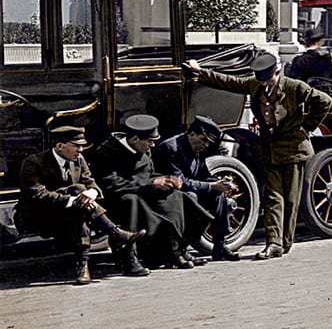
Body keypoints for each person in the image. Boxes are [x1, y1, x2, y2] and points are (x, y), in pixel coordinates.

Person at [185, 50, 332, 258]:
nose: (264, 84)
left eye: (268, 79)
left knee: (290, 200)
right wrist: (200, 72)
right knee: (273, 197)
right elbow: (229, 81)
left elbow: (324, 101)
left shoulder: (294, 86)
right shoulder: (255, 85)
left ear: (277, 72)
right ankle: (273, 244)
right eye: (260, 79)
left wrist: (306, 127)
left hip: (293, 149)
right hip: (270, 149)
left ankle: (285, 242)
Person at [15, 126, 143, 283]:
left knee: (80, 201)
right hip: (40, 215)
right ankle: (114, 233)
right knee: (78, 192)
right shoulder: (34, 162)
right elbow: (38, 195)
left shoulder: (78, 160)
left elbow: (91, 183)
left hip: (73, 212)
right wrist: (73, 200)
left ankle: (83, 265)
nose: (80, 150)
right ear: (60, 146)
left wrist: (92, 193)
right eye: (76, 145)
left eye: (82, 146)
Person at [88, 114, 195, 268]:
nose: (152, 145)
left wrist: (166, 180)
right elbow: (111, 183)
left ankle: (174, 249)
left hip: (143, 191)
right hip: (116, 198)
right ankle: (129, 256)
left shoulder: (143, 149)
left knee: (176, 197)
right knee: (131, 201)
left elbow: (149, 173)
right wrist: (149, 184)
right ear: (135, 139)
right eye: (149, 141)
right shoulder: (107, 152)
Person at [152, 115, 238, 262]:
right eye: (203, 140)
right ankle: (181, 248)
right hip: (167, 194)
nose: (205, 145)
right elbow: (180, 182)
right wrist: (211, 186)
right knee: (192, 197)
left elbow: (203, 175)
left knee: (217, 195)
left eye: (208, 142)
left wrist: (220, 183)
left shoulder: (197, 149)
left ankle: (219, 244)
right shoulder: (171, 148)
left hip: (188, 190)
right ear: (192, 134)